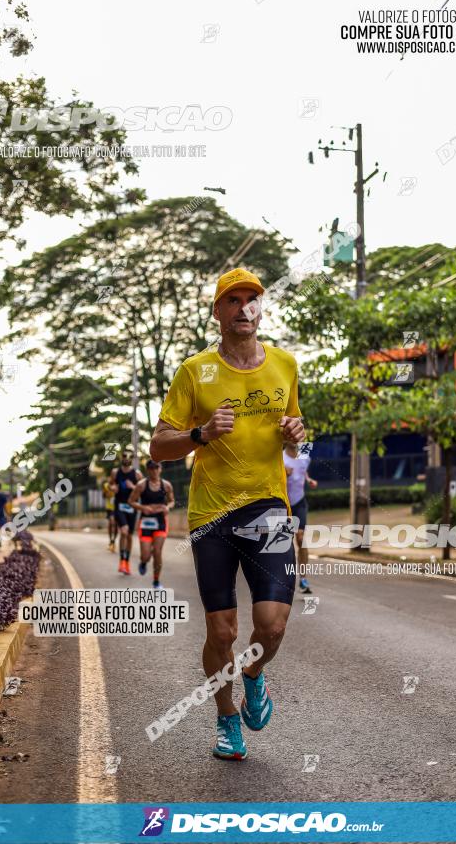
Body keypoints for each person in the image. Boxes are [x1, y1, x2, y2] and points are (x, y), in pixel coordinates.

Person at [150, 267, 305, 761]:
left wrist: (297, 435)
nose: (243, 308)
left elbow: (293, 432)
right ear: (217, 311)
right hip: (212, 513)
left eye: (251, 299)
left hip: (268, 508)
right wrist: (199, 435)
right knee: (222, 632)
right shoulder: (194, 372)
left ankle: (254, 677)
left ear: (261, 308)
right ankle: (224, 718)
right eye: (232, 300)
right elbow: (158, 447)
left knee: (273, 624)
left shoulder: (285, 365)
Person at [129, 460, 175, 589]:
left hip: (160, 521)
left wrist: (167, 507)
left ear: (160, 469)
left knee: (157, 552)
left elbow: (171, 501)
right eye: (151, 468)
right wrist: (143, 507)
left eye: (157, 468)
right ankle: (143, 562)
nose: (154, 470)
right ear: (147, 470)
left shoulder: (166, 486)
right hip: (146, 523)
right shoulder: (141, 486)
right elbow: (131, 501)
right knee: (146, 555)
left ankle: (156, 581)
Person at [283, 442, 318, 594]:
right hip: (283, 505)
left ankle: (303, 579)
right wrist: (282, 474)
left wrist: (309, 480)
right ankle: (285, 579)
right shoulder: (280, 458)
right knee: (285, 542)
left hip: (299, 503)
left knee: (300, 537)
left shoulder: (305, 455)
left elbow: (303, 471)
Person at [109, 448, 143, 575]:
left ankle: (126, 562)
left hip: (132, 507)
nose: (126, 458)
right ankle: (122, 561)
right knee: (123, 531)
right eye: (124, 456)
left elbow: (143, 490)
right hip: (119, 506)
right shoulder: (115, 472)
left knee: (129, 535)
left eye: (130, 456)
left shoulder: (137, 474)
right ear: (121, 457)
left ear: (132, 459)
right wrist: (113, 488)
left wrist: (133, 487)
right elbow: (110, 484)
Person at [102, 477, 117, 552]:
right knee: (111, 522)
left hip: (117, 507)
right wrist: (107, 491)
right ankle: (110, 540)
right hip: (109, 508)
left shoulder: (118, 485)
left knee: (116, 524)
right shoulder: (106, 485)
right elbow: (104, 496)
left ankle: (113, 541)